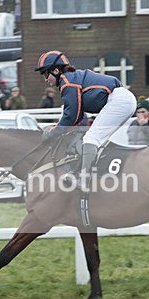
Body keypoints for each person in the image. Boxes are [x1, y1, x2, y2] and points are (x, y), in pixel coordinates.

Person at [35, 49, 136, 193]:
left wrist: (53, 132)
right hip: (121, 99)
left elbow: (71, 115)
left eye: (46, 74)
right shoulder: (71, 79)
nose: (46, 79)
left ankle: (84, 179)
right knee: (93, 139)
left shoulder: (67, 82)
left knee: (91, 138)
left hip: (119, 100)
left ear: (56, 71)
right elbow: (78, 116)